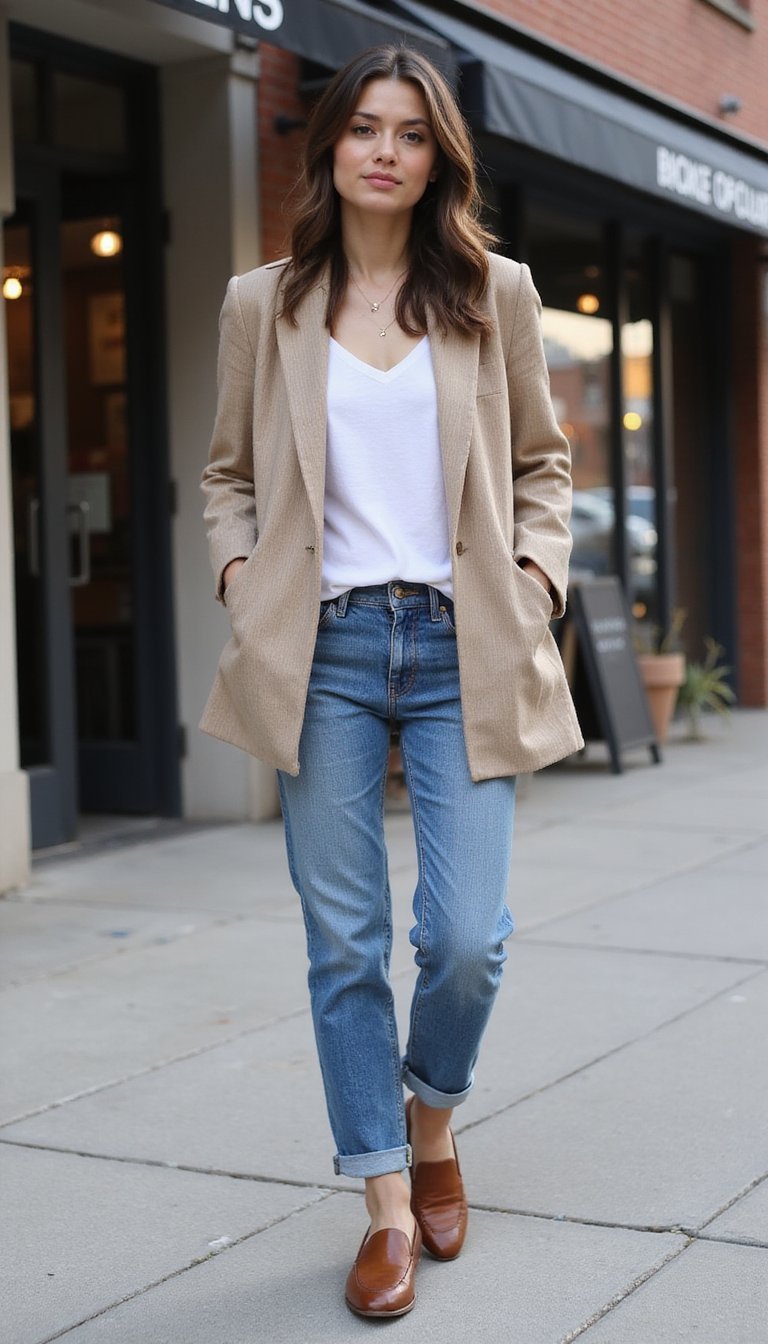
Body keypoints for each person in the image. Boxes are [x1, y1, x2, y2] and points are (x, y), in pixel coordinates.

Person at [200, 43, 583, 1319]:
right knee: (344, 941)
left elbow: (543, 464)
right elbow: (226, 476)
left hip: (462, 638)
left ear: (438, 159)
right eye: (363, 127)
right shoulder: (266, 302)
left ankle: (433, 1121)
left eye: (410, 133)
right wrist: (240, 573)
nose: (384, 150)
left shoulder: (493, 291)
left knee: (465, 940)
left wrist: (535, 581)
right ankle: (381, 1205)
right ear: (327, 149)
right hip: (324, 647)